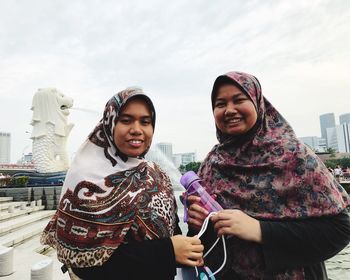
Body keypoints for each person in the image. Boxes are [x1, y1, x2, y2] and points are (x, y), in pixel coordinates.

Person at [186, 71, 350, 279]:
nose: (229, 110)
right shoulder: (212, 164)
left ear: (258, 103)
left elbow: (339, 231)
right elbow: (203, 242)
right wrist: (201, 226)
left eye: (239, 100)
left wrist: (260, 230)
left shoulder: (293, 156)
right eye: (220, 104)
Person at [41, 87, 204, 280]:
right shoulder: (85, 180)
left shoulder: (157, 174)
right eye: (126, 120)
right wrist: (167, 252)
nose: (137, 129)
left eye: (145, 122)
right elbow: (83, 265)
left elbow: (173, 234)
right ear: (110, 123)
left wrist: (195, 223)